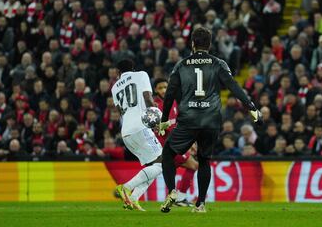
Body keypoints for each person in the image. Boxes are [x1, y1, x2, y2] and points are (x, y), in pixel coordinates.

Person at [159, 27, 262, 213]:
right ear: (210, 44)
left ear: (192, 43)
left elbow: (169, 93)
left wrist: (164, 119)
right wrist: (251, 107)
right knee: (204, 159)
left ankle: (173, 191)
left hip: (188, 119)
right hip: (211, 120)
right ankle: (201, 204)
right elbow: (233, 86)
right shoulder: (218, 63)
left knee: (167, 154)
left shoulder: (181, 65)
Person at [111, 59, 162, 211]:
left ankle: (133, 199)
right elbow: (147, 98)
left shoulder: (114, 88)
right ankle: (126, 188)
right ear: (133, 68)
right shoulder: (141, 75)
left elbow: (120, 112)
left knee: (152, 166)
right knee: (163, 162)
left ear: (118, 72)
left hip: (126, 131)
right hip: (141, 126)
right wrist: (158, 120)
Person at [153, 78, 198, 207]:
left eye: (165, 87)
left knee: (170, 170)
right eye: (160, 87)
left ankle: (175, 197)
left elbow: (177, 123)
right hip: (166, 145)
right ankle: (179, 197)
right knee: (193, 166)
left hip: (175, 142)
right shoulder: (155, 106)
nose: (163, 90)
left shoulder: (172, 102)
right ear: (155, 90)